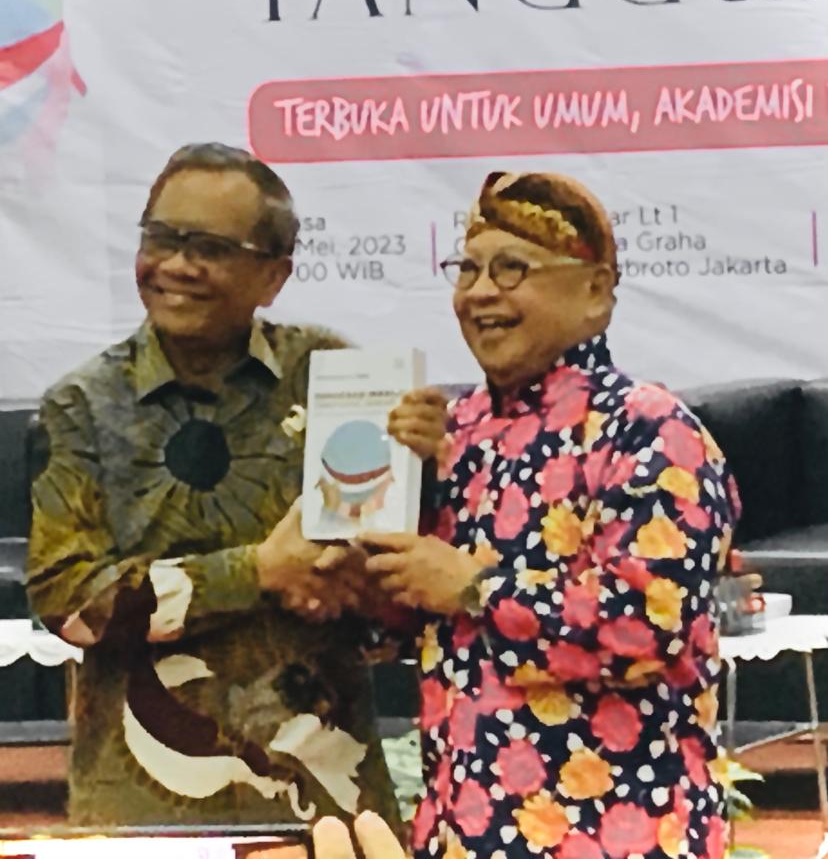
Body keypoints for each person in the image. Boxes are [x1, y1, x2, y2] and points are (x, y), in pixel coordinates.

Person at [363, 171, 740, 859]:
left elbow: (646, 628)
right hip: (461, 830)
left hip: (617, 835)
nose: (480, 292)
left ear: (595, 292)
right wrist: (394, 502)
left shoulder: (650, 432)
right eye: (468, 269)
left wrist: (476, 589)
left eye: (512, 268)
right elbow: (406, 626)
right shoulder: (456, 433)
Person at [26, 143, 400, 828]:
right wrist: (255, 572)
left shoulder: (330, 374)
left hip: (325, 798)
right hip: (143, 809)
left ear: (274, 275)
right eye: (160, 238)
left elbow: (385, 592)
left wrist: (361, 570)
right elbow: (68, 605)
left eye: (209, 247)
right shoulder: (81, 407)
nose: (175, 264)